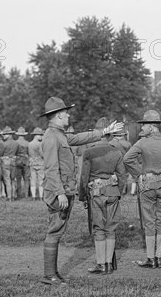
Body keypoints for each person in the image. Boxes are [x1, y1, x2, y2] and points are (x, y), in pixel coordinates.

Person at [39, 97, 123, 285]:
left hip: (64, 191)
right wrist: (60, 192)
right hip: (58, 192)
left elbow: (80, 138)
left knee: (57, 231)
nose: (68, 115)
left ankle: (52, 273)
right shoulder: (52, 136)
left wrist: (105, 131)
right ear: (59, 115)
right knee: (54, 231)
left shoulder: (59, 134)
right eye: (66, 112)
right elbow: (50, 169)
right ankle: (49, 275)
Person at [124, 110, 161, 269]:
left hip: (147, 186)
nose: (142, 129)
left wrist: (138, 174)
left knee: (149, 222)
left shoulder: (142, 143)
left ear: (152, 127)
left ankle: (150, 258)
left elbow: (127, 159)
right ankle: (159, 258)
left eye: (144, 125)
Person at [79, 117, 127, 275]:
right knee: (111, 229)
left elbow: (84, 177)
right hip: (113, 192)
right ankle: (108, 264)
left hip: (97, 193)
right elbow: (122, 177)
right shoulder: (117, 151)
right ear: (111, 134)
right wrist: (118, 192)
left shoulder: (89, 151)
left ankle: (101, 264)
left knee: (99, 229)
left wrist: (83, 196)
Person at [0, 126, 18, 201]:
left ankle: (9, 197)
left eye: (4, 134)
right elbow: (17, 153)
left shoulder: (4, 144)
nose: (3, 136)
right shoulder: (16, 143)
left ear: (9, 134)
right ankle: (13, 196)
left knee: (7, 180)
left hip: (6, 162)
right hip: (13, 162)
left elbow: (1, 153)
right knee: (13, 179)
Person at [28, 127, 45, 200]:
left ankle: (33, 196)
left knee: (33, 180)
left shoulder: (30, 144)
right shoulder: (40, 144)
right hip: (40, 163)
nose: (41, 136)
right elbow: (42, 154)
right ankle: (41, 197)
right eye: (40, 135)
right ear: (37, 135)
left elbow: (29, 154)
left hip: (32, 163)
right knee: (41, 180)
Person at [15, 127, 31, 199]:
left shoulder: (16, 143)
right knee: (26, 178)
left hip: (18, 161)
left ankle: (19, 194)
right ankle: (27, 194)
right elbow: (29, 153)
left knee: (18, 178)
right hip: (26, 161)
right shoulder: (27, 143)